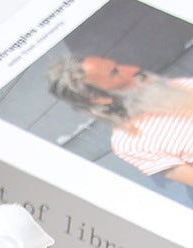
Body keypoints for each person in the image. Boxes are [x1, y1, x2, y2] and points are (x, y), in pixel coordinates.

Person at [47, 54, 193, 187]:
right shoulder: (129, 143)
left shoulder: (177, 86)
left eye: (118, 64)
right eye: (115, 72)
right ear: (101, 98)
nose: (133, 69)